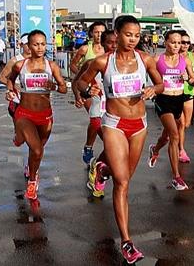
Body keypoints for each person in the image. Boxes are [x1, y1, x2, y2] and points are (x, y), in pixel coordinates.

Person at [77, 15, 163, 264]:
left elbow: (160, 84)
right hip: (113, 123)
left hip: (139, 125)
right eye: (128, 34)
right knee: (123, 182)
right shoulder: (103, 61)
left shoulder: (145, 59)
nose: (133, 39)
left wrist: (152, 90)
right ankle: (127, 241)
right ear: (117, 33)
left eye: (136, 35)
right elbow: (81, 79)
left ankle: (101, 169)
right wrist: (87, 89)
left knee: (124, 176)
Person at [6, 30, 67, 200]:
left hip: (45, 115)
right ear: (29, 46)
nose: (40, 48)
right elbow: (10, 80)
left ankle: (30, 167)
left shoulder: (52, 66)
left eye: (42, 44)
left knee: (37, 151)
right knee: (37, 149)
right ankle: (32, 182)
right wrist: (10, 91)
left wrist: (53, 86)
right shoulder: (20, 65)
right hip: (24, 113)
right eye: (36, 44)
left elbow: (64, 88)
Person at [71, 30, 118, 197]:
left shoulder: (129, 64)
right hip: (99, 110)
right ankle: (98, 175)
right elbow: (77, 82)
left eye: (117, 42)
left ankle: (97, 166)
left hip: (119, 114)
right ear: (103, 44)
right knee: (112, 147)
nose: (114, 46)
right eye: (110, 42)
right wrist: (82, 94)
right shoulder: (93, 62)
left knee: (116, 150)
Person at [148, 30, 194, 190]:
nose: (177, 46)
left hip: (178, 100)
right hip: (163, 100)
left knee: (167, 136)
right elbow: (148, 75)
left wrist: (189, 79)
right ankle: (176, 177)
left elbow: (193, 80)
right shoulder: (157, 59)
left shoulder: (185, 60)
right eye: (173, 42)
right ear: (165, 42)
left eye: (179, 43)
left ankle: (155, 149)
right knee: (175, 135)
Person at [70, 21, 107, 165]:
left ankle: (97, 146)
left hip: (105, 90)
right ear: (91, 33)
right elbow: (73, 65)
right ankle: (89, 147)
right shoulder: (85, 49)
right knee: (96, 119)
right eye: (96, 32)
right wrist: (82, 77)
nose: (99, 35)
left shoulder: (109, 49)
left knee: (103, 120)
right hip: (89, 89)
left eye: (102, 32)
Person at [178, 31, 194, 163]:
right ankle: (181, 150)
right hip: (176, 93)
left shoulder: (192, 56)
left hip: (189, 91)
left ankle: (174, 139)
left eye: (188, 42)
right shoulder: (172, 57)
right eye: (183, 42)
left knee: (187, 123)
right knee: (181, 124)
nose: (185, 45)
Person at [0, 33, 31, 121]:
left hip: (34, 100)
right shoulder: (15, 60)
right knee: (20, 130)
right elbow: (2, 77)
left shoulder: (38, 60)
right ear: (21, 45)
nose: (30, 47)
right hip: (18, 99)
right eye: (27, 44)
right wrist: (15, 86)